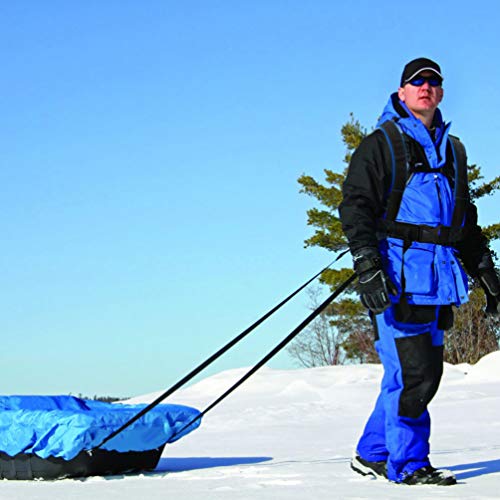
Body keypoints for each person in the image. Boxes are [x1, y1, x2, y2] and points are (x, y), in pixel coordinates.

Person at [338, 57, 500, 485]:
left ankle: (372, 452)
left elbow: (463, 220)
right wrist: (368, 266)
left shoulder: (453, 150)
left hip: (439, 282)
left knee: (412, 374)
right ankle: (409, 465)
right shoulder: (382, 143)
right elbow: (355, 206)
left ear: (441, 93)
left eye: (433, 82)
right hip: (397, 280)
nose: (425, 88)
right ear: (402, 91)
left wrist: (488, 277)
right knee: (416, 375)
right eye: (416, 82)